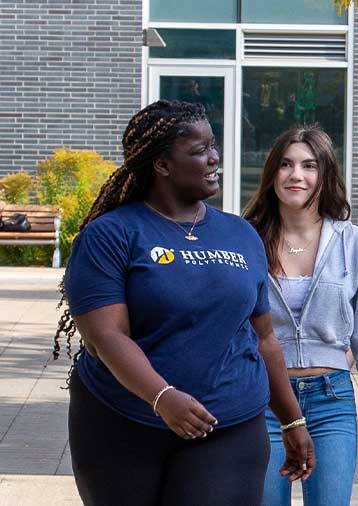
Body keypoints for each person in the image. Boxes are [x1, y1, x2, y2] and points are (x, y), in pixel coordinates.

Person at [53, 100, 315, 506]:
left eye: (213, 145)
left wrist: (292, 418)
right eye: (198, 150)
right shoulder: (111, 235)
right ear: (162, 165)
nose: (214, 158)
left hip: (227, 422)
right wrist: (162, 397)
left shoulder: (240, 234)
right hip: (122, 421)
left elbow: (264, 338)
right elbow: (105, 335)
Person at [243, 126, 358, 506]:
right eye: (286, 164)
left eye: (309, 166)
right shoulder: (244, 239)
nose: (296, 175)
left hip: (331, 400)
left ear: (325, 175)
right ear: (271, 174)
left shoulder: (353, 242)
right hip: (263, 400)